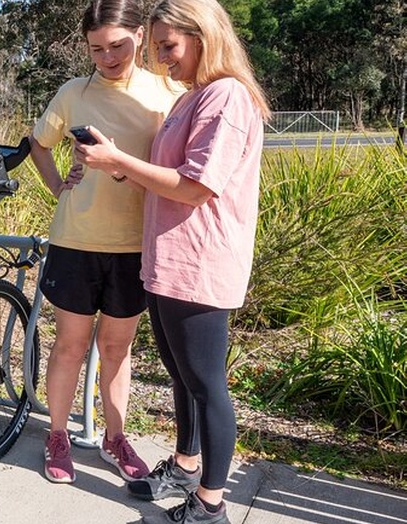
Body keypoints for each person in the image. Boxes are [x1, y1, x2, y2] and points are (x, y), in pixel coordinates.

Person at [73, 0, 270, 521]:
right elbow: (169, 176)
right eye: (157, 46)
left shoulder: (226, 97)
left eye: (168, 46)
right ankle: (186, 464)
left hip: (199, 263)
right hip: (168, 260)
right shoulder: (193, 96)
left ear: (203, 35)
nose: (161, 58)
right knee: (183, 378)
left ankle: (211, 504)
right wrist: (122, 169)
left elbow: (198, 186)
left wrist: (119, 160)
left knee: (207, 385)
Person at [30, 0, 182, 485]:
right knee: (70, 346)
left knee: (117, 348)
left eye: (117, 45)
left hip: (137, 243)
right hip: (76, 239)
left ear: (140, 36)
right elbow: (39, 143)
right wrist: (58, 187)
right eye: (96, 49)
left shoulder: (168, 91)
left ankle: (115, 438)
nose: (108, 57)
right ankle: (58, 435)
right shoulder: (74, 92)